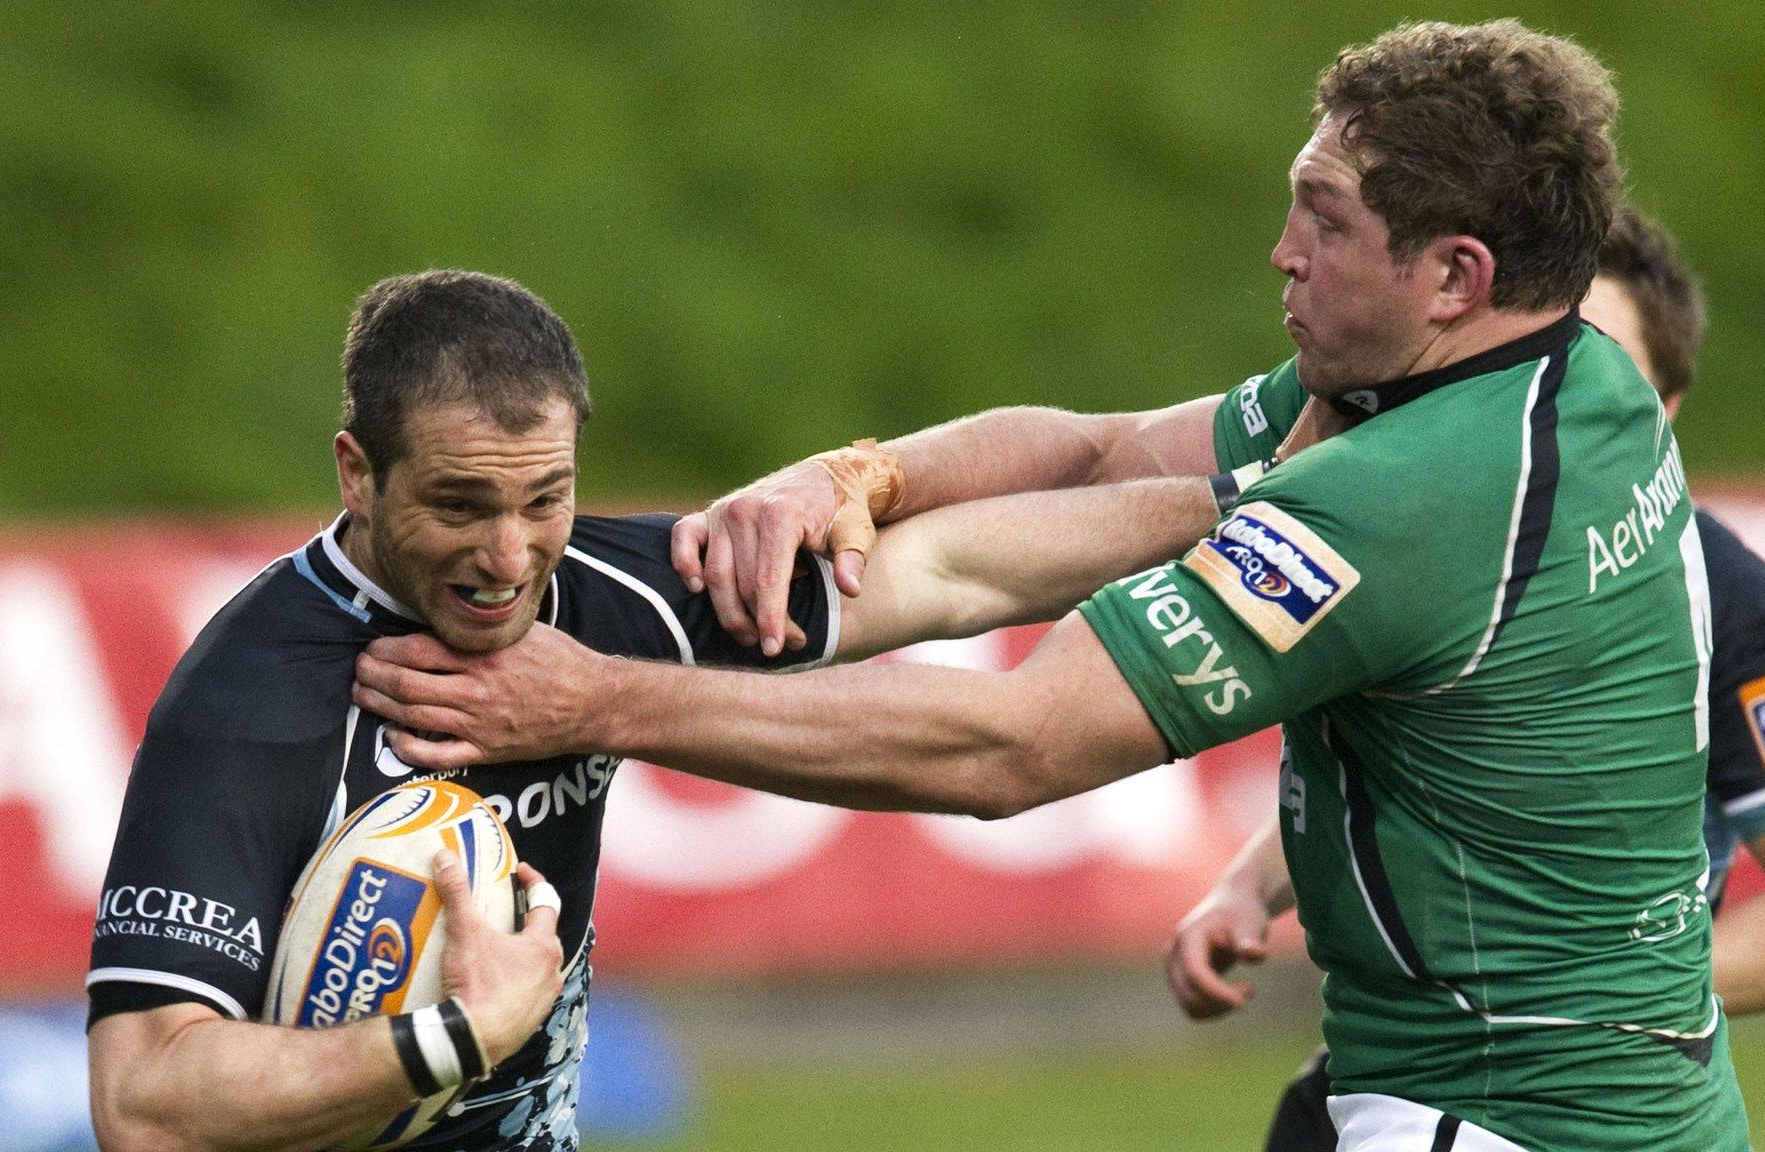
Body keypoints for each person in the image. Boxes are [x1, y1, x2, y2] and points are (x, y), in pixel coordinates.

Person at [357, 21, 1751, 1151]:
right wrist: (857, 475)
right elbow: (1101, 454)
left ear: (1455, 274)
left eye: (1325, 221)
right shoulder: (1574, 383)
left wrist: (594, 697)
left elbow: (1008, 748)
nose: (1282, 252)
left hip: (1500, 1119)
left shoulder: (1404, 497)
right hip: (1606, 1100)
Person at [84, 270, 1231, 1152]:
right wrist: (459, 1038)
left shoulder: (602, 594)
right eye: (459, 503)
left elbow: (956, 575)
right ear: (355, 473)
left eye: (546, 498)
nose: (507, 556)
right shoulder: (253, 702)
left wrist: (1261, 505)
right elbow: (146, 1102)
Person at [1173, 208, 1765, 1152]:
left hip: (1553, 1105)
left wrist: (1574, 1014)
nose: (1548, 387)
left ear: (1660, 411)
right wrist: (1242, 890)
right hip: (1386, 1078)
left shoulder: (1736, 606)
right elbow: (1404, 777)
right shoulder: (1432, 545)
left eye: (1591, 355)